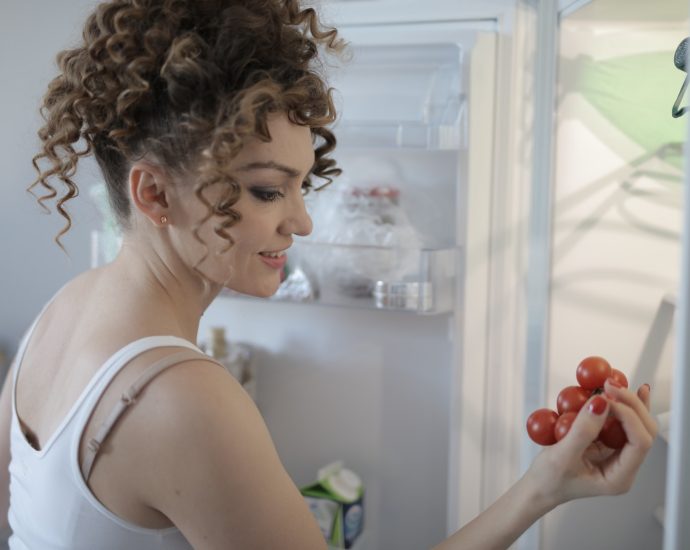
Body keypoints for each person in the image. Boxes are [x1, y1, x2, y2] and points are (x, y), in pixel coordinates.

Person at [0, 1, 657, 549]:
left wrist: (548, 479)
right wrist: (539, 492)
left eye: (301, 187)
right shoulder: (183, 401)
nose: (302, 223)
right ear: (154, 195)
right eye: (266, 192)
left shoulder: (60, 315)